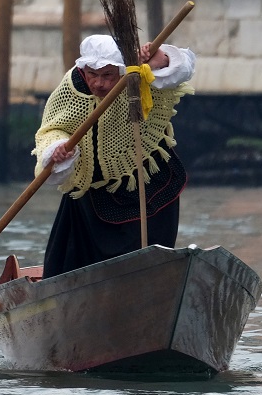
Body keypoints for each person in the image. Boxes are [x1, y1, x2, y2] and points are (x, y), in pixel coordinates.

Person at [32, 33, 197, 278]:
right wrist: (57, 147)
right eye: (93, 75)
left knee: (147, 264)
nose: (98, 84)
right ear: (83, 69)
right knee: (68, 267)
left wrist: (160, 59)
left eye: (107, 75)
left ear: (119, 71)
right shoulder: (72, 86)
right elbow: (53, 127)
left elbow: (181, 69)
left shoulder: (138, 76)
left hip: (146, 182)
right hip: (90, 189)